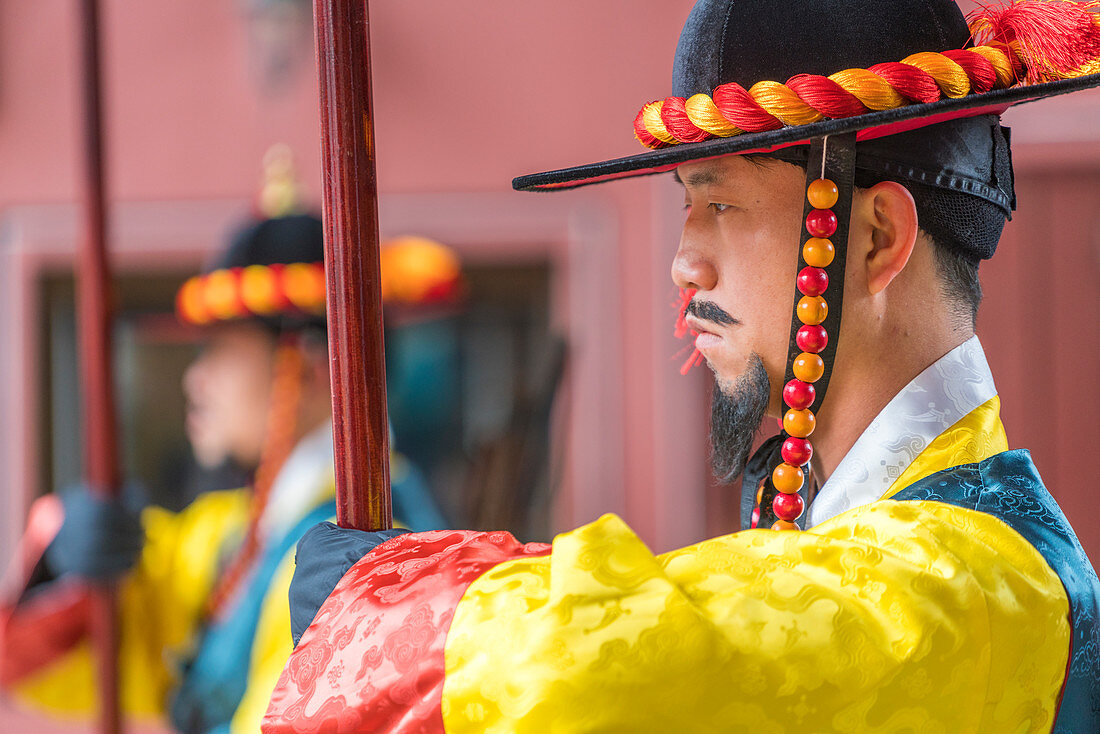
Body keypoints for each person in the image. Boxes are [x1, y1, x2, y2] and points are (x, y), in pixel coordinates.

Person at [264, 1, 1100, 732]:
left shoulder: (978, 581)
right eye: (687, 205)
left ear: (876, 238)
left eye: (723, 203)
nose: (682, 263)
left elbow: (593, 666)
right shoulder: (862, 538)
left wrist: (384, 608)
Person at [0, 201, 453, 732]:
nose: (195, 381)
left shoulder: (368, 540)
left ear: (302, 367)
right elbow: (67, 662)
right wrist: (66, 564)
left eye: (218, 350)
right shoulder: (240, 528)